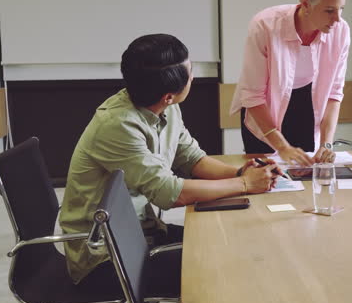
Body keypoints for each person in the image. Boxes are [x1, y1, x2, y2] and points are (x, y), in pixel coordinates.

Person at [59, 33, 277, 289]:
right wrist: (243, 184)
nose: (193, 77)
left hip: (143, 232)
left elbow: (193, 159)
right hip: (107, 253)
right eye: (190, 72)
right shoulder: (117, 125)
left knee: (229, 241)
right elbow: (169, 194)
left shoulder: (165, 106)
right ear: (169, 95)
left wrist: (239, 171)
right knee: (227, 264)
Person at [229, 0, 351, 166]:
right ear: (305, 3)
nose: (337, 19)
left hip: (306, 103)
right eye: (329, 10)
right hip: (264, 106)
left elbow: (334, 94)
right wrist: (282, 146)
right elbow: (252, 96)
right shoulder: (265, 26)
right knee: (267, 177)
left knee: (305, 174)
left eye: (341, 9)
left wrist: (326, 144)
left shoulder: (341, 30)